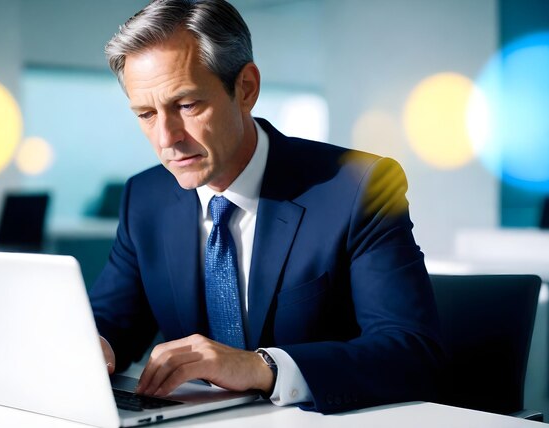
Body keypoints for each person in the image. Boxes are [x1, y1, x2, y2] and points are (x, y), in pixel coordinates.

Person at [90, 0, 443, 414]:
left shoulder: (356, 187)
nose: (166, 137)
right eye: (147, 114)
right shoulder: (145, 197)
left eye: (186, 105)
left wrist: (261, 367)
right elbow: (112, 321)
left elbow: (411, 352)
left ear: (246, 89)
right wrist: (91, 345)